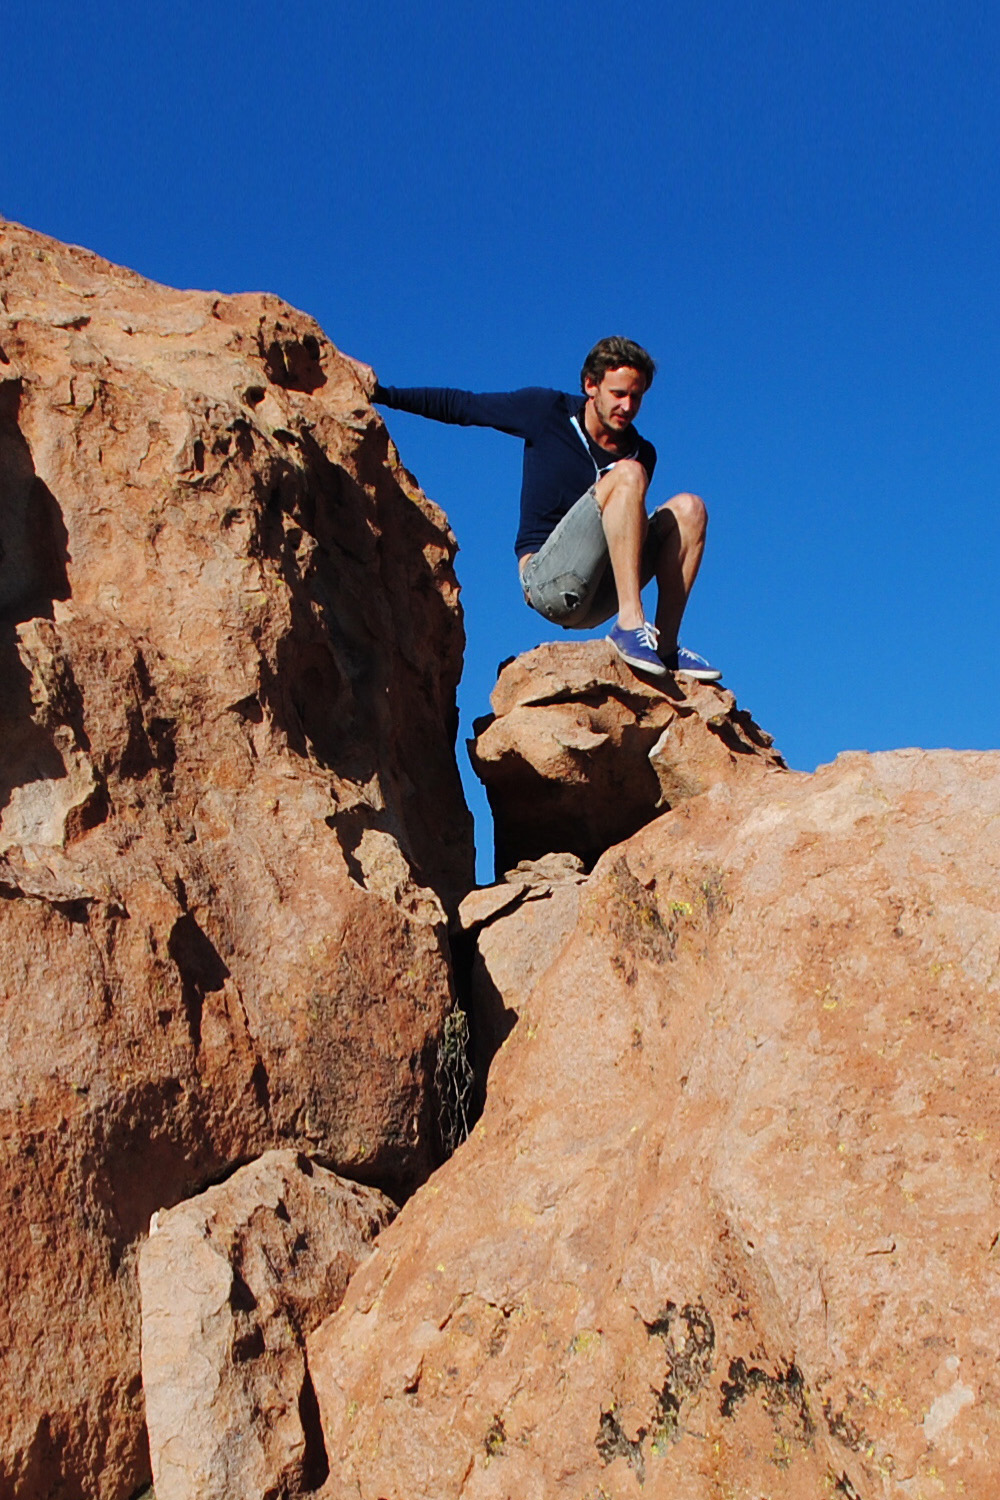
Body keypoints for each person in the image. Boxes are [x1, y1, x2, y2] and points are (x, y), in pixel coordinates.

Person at [366, 335, 720, 680]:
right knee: (628, 475)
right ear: (590, 385)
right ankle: (631, 624)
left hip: (602, 591)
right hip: (547, 580)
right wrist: (383, 394)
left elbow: (625, 533)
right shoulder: (546, 412)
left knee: (690, 508)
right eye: (618, 394)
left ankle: (666, 648)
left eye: (636, 397)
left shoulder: (643, 451)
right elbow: (464, 407)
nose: (627, 407)